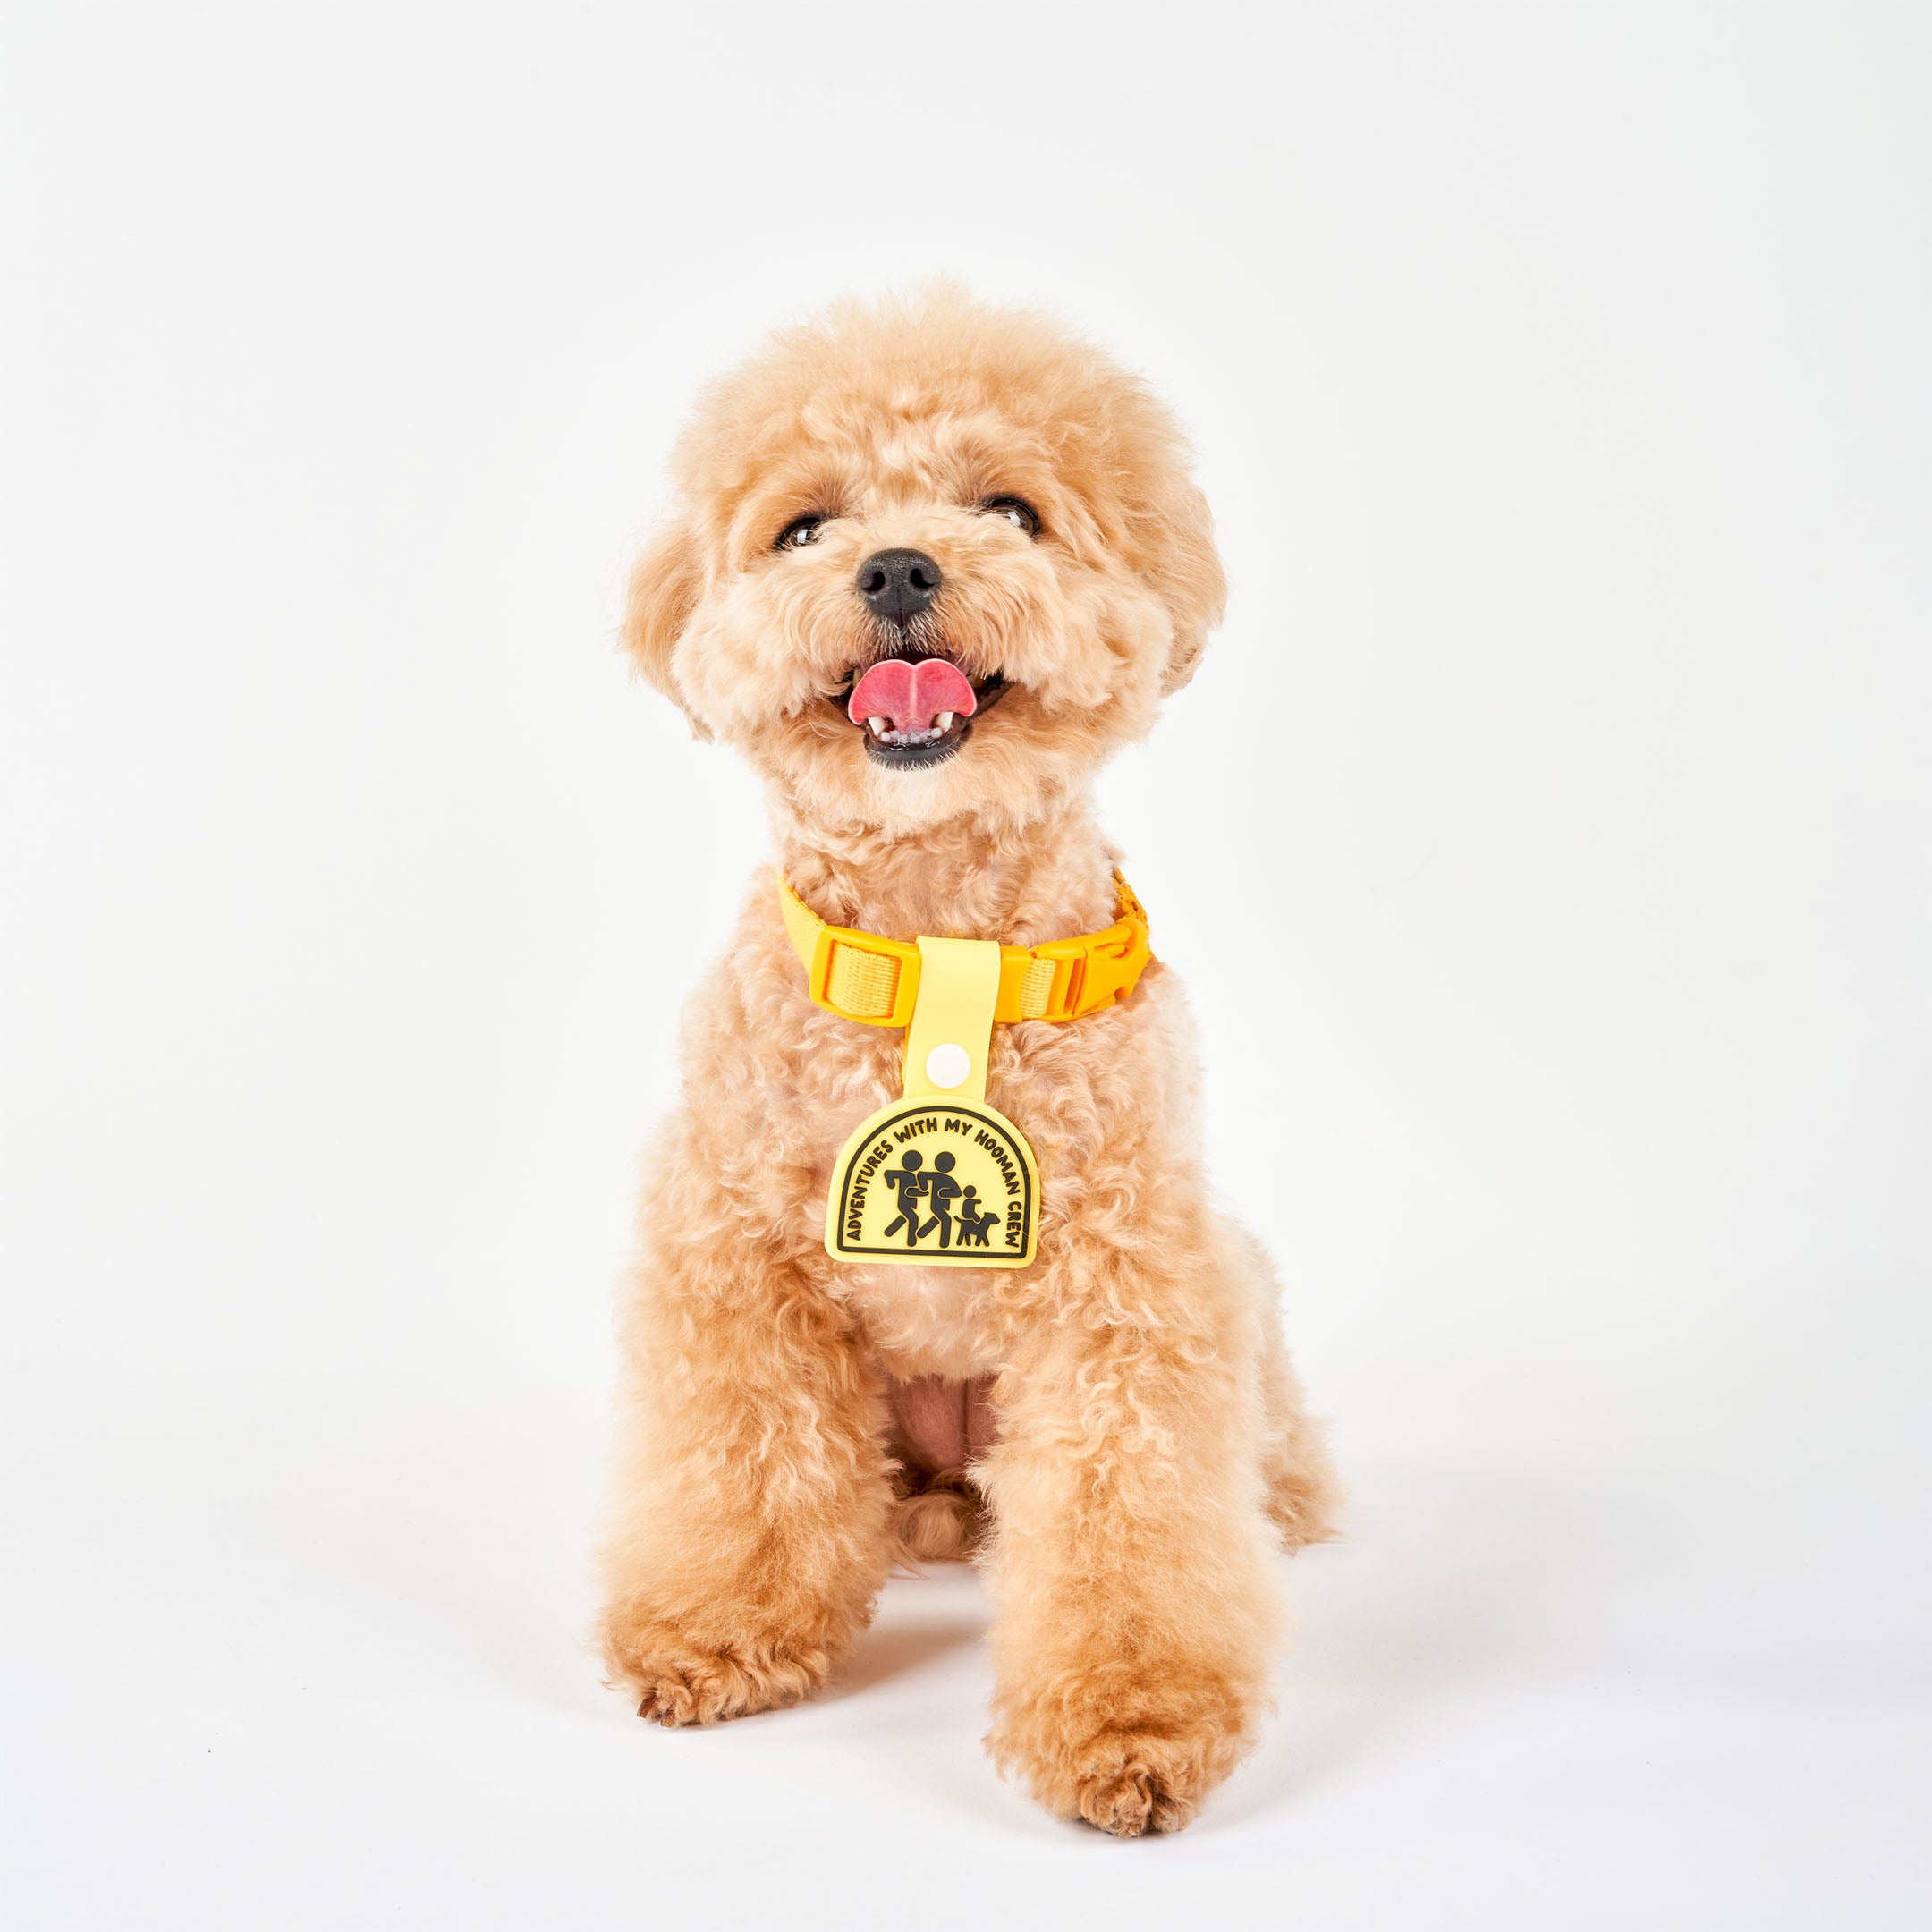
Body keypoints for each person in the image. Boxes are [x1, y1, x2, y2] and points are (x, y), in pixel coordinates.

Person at [879, 1149, 929, 1246]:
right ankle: (911, 1241)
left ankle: (889, 1232)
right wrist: (923, 1194)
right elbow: (910, 1191)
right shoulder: (909, 1176)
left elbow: (888, 1173)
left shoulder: (909, 1175)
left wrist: (891, 1184)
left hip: (906, 1203)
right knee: (914, 1219)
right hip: (905, 1203)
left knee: (904, 1218)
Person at [917, 1150, 963, 1248]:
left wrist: (925, 1187)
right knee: (946, 1220)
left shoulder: (941, 1177)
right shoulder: (948, 1179)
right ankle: (943, 1244)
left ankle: (922, 1233)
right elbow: (958, 1192)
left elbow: (921, 1175)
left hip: (936, 1204)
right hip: (938, 1204)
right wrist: (943, 1193)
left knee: (938, 1219)